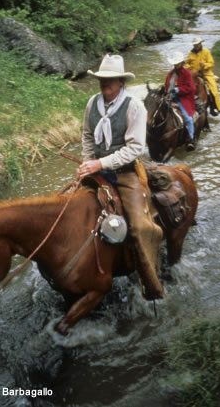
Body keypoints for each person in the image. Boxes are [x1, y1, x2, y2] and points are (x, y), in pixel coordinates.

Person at [78, 54, 165, 301]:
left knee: (139, 227)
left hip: (124, 172)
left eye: (110, 80)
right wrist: (87, 162)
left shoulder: (134, 106)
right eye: (102, 80)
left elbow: (135, 148)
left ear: (120, 81)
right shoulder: (91, 103)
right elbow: (86, 135)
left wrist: (100, 163)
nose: (105, 84)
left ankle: (152, 286)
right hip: (95, 168)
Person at [165, 50, 196, 151]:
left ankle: (191, 139)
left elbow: (191, 88)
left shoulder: (187, 73)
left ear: (182, 62)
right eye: (174, 63)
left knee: (188, 119)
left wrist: (178, 90)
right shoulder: (170, 74)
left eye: (177, 63)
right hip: (170, 97)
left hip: (183, 98)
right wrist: (167, 94)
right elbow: (166, 86)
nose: (176, 65)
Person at [186, 38, 220, 115]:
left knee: (213, 89)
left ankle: (215, 107)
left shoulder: (206, 51)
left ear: (200, 43)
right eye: (195, 44)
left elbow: (212, 63)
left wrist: (205, 65)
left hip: (206, 74)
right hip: (193, 74)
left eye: (198, 44)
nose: (196, 46)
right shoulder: (190, 53)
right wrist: (188, 67)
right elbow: (187, 63)